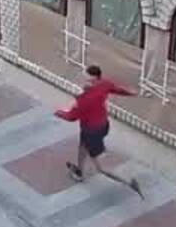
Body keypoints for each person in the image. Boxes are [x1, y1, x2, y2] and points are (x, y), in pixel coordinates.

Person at [56, 64, 143, 195]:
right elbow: (118, 90)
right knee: (82, 146)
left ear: (92, 79)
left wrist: (58, 112)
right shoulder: (104, 84)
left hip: (92, 132)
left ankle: (129, 182)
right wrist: (133, 93)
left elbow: (71, 117)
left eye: (86, 79)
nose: (83, 82)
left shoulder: (83, 99)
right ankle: (79, 171)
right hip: (103, 125)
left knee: (102, 168)